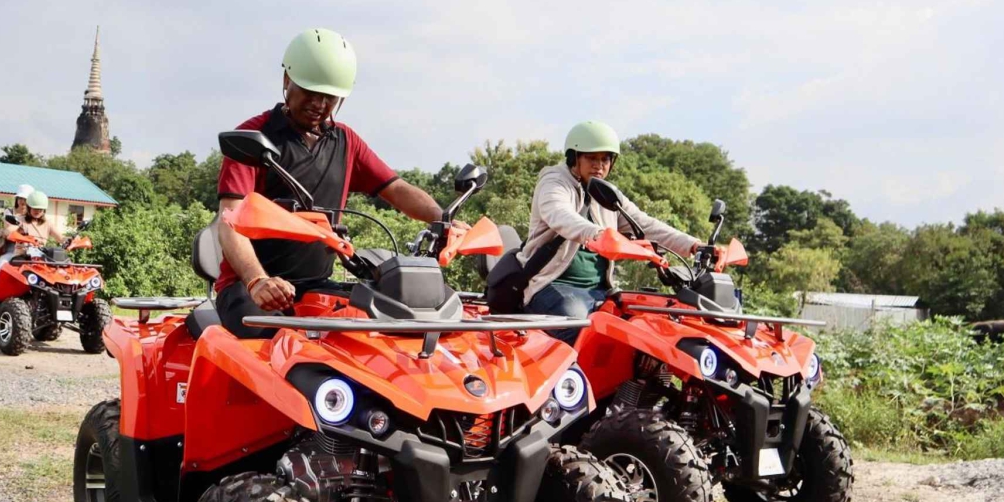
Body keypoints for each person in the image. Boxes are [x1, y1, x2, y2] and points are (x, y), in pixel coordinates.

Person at [214, 28, 467, 338]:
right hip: (249, 286)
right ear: (286, 81)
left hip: (314, 285)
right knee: (271, 345)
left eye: (329, 96)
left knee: (383, 330)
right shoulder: (255, 138)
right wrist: (257, 281)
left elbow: (398, 189)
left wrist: (444, 219)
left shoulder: (346, 141)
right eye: (310, 91)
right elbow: (229, 221)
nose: (320, 103)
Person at [520, 120, 706, 343]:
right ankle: (573, 379)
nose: (599, 165)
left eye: (605, 159)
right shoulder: (554, 182)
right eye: (591, 158)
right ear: (574, 157)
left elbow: (644, 224)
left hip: (600, 291)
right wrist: (598, 235)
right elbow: (560, 215)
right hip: (551, 285)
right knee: (582, 331)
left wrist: (694, 245)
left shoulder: (605, 193)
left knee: (652, 329)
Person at [0, 185, 34, 255]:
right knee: (5, 261)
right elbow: (8, 230)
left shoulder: (33, 215)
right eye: (20, 198)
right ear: (17, 199)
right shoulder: (9, 212)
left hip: (29, 247)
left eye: (25, 199)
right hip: (11, 246)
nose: (23, 201)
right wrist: (21, 225)